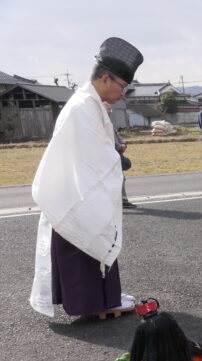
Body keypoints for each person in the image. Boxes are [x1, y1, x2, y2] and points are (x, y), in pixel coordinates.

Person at [29, 37, 143, 318]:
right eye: (122, 86)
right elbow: (93, 158)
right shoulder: (82, 107)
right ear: (105, 78)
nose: (123, 93)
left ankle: (106, 299)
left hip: (81, 192)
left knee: (96, 244)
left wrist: (114, 154)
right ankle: (94, 305)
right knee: (86, 246)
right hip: (76, 197)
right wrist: (117, 159)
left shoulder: (91, 103)